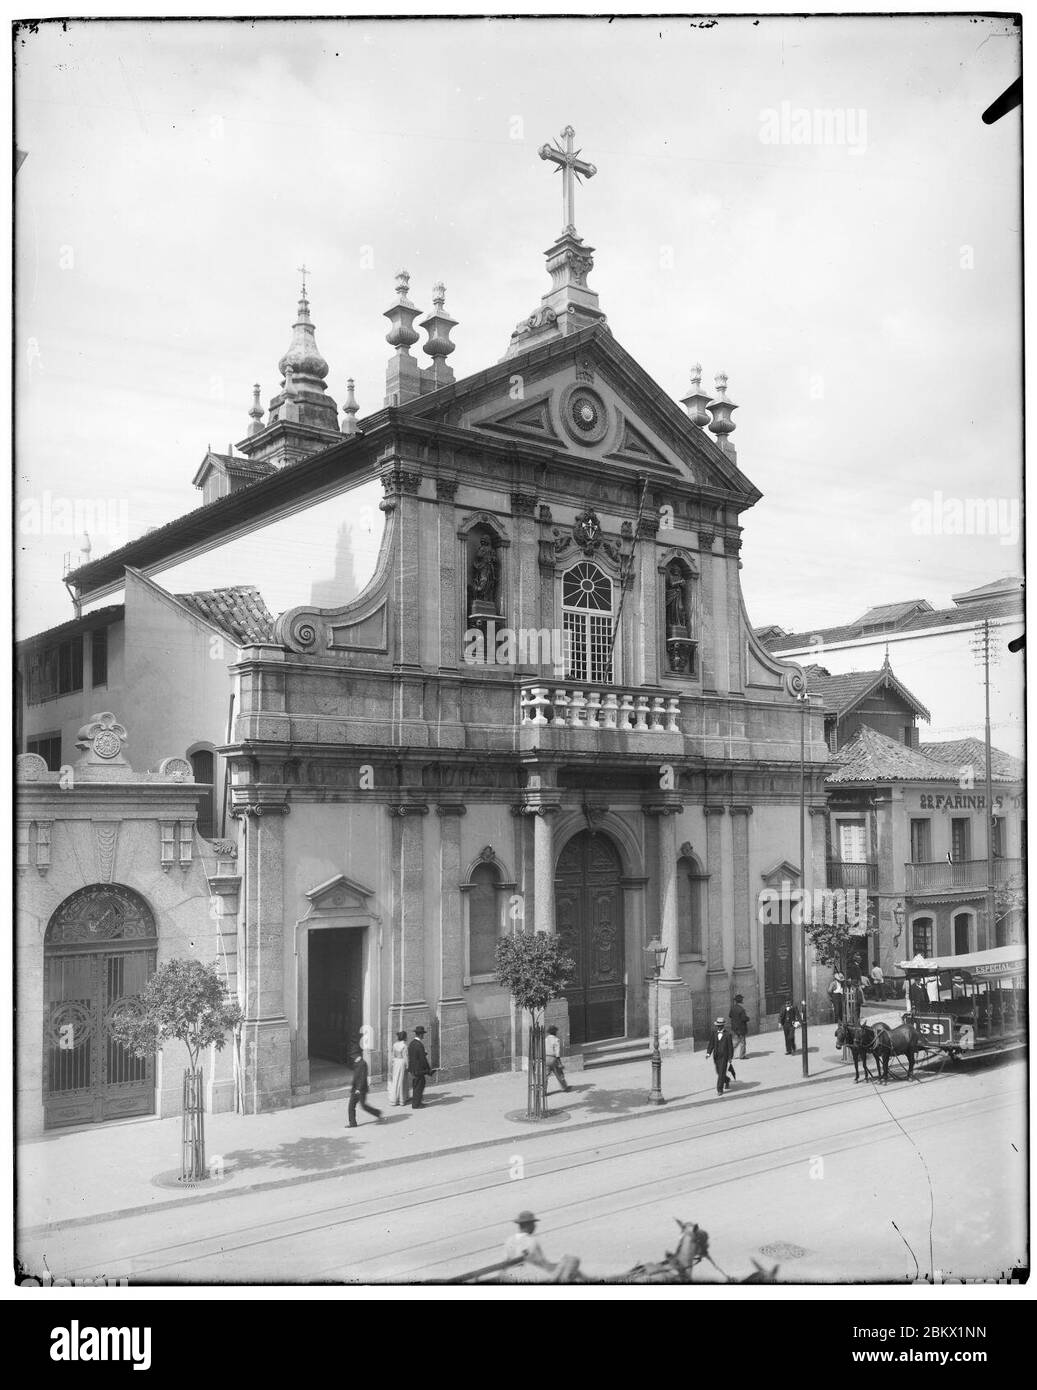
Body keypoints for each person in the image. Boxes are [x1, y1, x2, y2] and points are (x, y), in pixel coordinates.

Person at [502, 1211, 556, 1283]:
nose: (535, 1226)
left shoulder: (509, 1240)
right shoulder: (531, 1241)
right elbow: (542, 1263)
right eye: (533, 1223)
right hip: (527, 1276)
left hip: (510, 1276)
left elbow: (505, 1261)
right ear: (528, 1225)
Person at [347, 1046, 382, 1127]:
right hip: (355, 1089)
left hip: (361, 1089)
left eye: (353, 1056)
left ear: (358, 1056)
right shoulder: (356, 1063)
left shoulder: (363, 1064)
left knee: (364, 1106)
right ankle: (352, 1123)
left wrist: (358, 1089)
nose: (353, 1058)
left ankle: (377, 1113)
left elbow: (363, 1077)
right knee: (351, 1106)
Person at [705, 1016, 735, 1095]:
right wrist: (708, 1053)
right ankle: (727, 1080)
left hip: (724, 1057)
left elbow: (730, 1047)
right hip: (716, 1056)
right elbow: (711, 1044)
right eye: (717, 1026)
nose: (718, 1027)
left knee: (721, 1072)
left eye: (720, 1026)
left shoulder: (728, 1034)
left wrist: (730, 1057)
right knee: (719, 1072)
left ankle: (719, 1089)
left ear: (723, 1026)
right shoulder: (714, 1034)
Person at [408, 1025, 433, 1108]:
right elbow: (423, 1059)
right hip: (419, 1069)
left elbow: (413, 1056)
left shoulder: (411, 1043)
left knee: (416, 1086)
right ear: (421, 1035)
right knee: (419, 1086)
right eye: (423, 1034)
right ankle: (416, 1104)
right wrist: (428, 1069)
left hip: (413, 1069)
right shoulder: (419, 1045)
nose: (423, 1036)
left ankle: (416, 1103)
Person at [545, 1025, 570, 1092]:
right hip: (553, 1059)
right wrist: (559, 1062)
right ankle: (564, 1087)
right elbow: (557, 1053)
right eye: (556, 1031)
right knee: (559, 1074)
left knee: (545, 1075)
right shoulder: (556, 1040)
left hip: (546, 1058)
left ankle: (543, 1091)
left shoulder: (546, 1039)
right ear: (554, 1032)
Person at [389, 1030, 411, 1106]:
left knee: (396, 1080)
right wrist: (408, 1065)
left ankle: (394, 1099)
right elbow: (406, 1057)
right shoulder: (404, 1046)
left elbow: (393, 1055)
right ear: (404, 1037)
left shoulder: (395, 1045)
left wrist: (393, 1063)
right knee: (402, 1080)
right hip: (402, 1063)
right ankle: (402, 1099)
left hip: (396, 1062)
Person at [729, 994, 749, 1059]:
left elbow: (730, 1015)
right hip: (741, 1028)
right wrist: (748, 1018)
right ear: (741, 1001)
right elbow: (744, 1019)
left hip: (734, 1028)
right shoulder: (741, 1009)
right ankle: (742, 1056)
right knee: (742, 1042)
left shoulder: (733, 1008)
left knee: (735, 1041)